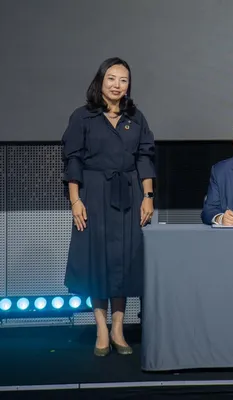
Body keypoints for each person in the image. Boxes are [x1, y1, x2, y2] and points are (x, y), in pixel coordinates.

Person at [61, 57, 156, 356]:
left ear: (129, 85)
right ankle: (101, 328)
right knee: (97, 260)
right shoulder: (82, 116)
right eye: (111, 78)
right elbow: (73, 160)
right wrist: (75, 200)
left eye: (123, 80)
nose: (117, 85)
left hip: (129, 193)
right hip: (93, 193)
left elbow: (145, 157)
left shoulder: (136, 117)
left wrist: (148, 196)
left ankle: (118, 328)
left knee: (124, 260)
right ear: (100, 81)